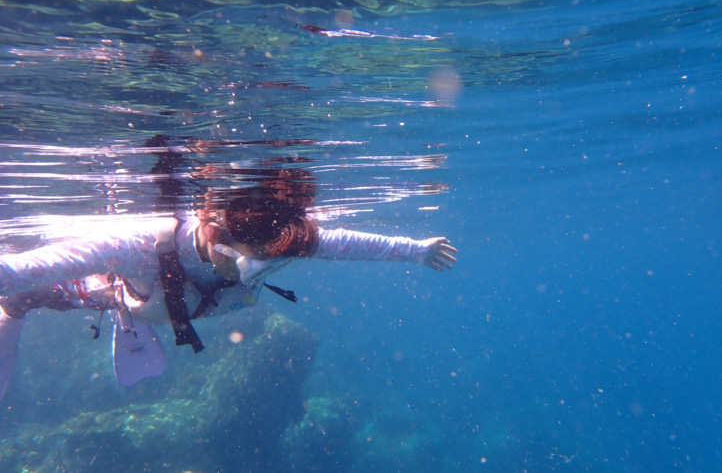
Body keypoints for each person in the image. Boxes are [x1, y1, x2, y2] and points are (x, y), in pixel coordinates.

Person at [0, 166, 457, 398]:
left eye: (267, 262)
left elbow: (347, 243)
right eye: (248, 259)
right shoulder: (136, 244)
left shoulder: (284, 239)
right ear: (215, 234)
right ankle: (12, 313)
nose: (253, 269)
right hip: (130, 292)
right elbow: (27, 268)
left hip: (191, 306)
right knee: (33, 294)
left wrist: (414, 251)